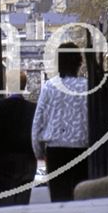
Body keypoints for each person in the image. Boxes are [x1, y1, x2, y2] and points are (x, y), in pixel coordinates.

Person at [31, 42, 89, 201]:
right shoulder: (87, 87)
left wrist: (38, 150)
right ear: (79, 62)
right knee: (81, 193)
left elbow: (38, 121)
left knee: (59, 195)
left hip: (56, 149)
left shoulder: (50, 87)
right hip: (82, 147)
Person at [0, 71, 38, 207]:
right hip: (26, 160)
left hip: (2, 161)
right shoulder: (32, 109)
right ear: (24, 85)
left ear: (8, 85)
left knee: (3, 204)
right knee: (22, 203)